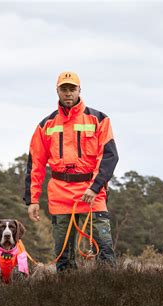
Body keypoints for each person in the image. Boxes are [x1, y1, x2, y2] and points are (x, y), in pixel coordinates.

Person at [24, 71, 119, 272]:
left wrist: (94, 188)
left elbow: (109, 157)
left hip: (92, 193)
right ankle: (67, 296)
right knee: (64, 257)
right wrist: (33, 200)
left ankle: (111, 293)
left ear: (79, 90)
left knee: (105, 249)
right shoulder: (45, 125)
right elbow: (36, 164)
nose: (68, 93)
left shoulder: (99, 120)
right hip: (60, 195)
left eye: (72, 89)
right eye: (64, 89)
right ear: (57, 91)